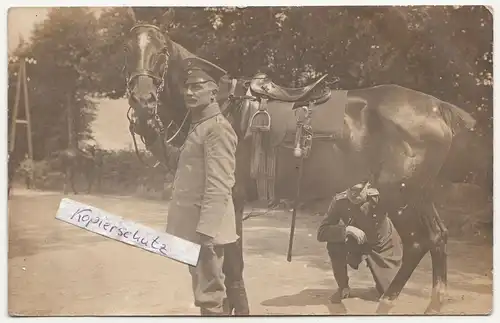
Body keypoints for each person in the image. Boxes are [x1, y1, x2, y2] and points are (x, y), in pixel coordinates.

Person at [145, 56, 243, 316]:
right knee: (205, 291)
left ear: (214, 93)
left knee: (210, 294)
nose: (189, 92)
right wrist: (151, 137)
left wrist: (207, 232)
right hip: (197, 227)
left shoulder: (217, 129)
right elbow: (179, 163)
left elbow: (220, 184)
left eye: (197, 87)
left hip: (205, 230)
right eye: (187, 87)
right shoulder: (199, 126)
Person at [316, 181, 403, 303]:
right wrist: (346, 230)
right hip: (356, 241)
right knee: (334, 244)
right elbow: (322, 232)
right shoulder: (339, 201)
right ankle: (343, 287)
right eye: (351, 190)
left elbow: (401, 207)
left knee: (388, 294)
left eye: (358, 191)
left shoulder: (379, 197)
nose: (354, 195)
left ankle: (382, 283)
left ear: (367, 188)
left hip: (382, 245)